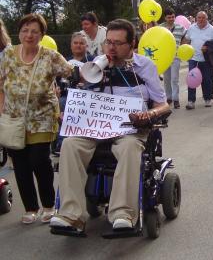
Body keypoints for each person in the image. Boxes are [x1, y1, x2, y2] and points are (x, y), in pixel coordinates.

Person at [50, 19, 170, 234]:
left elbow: (163, 105)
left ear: (132, 44)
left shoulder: (145, 66)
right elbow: (84, 99)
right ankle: (70, 215)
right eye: (108, 42)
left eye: (117, 43)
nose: (111, 48)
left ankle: (123, 213)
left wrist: (148, 114)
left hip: (130, 129)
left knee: (128, 148)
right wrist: (70, 115)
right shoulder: (97, 63)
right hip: (97, 128)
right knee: (70, 145)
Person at [0, 13, 73, 224]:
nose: (29, 35)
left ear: (42, 35)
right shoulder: (8, 55)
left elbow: (70, 71)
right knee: (21, 165)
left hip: (43, 116)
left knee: (39, 160)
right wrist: (2, 111)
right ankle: (31, 207)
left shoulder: (50, 56)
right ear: (19, 32)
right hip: (14, 119)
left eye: (34, 31)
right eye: (25, 30)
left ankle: (49, 205)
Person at [183, 11, 213, 109]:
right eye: (199, 18)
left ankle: (207, 99)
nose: (201, 20)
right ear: (196, 18)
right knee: (192, 79)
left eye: (203, 18)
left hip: (206, 59)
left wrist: (207, 48)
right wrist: (184, 48)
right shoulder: (192, 28)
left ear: (206, 19)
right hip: (193, 58)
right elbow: (186, 39)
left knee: (206, 80)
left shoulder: (211, 29)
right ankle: (191, 101)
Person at [160, 9, 186, 109]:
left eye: (172, 17)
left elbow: (185, 37)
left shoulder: (180, 27)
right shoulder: (160, 27)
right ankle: (169, 97)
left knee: (174, 79)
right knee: (166, 79)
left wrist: (182, 47)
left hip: (176, 57)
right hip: (164, 57)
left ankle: (176, 99)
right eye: (169, 17)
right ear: (165, 18)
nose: (171, 19)